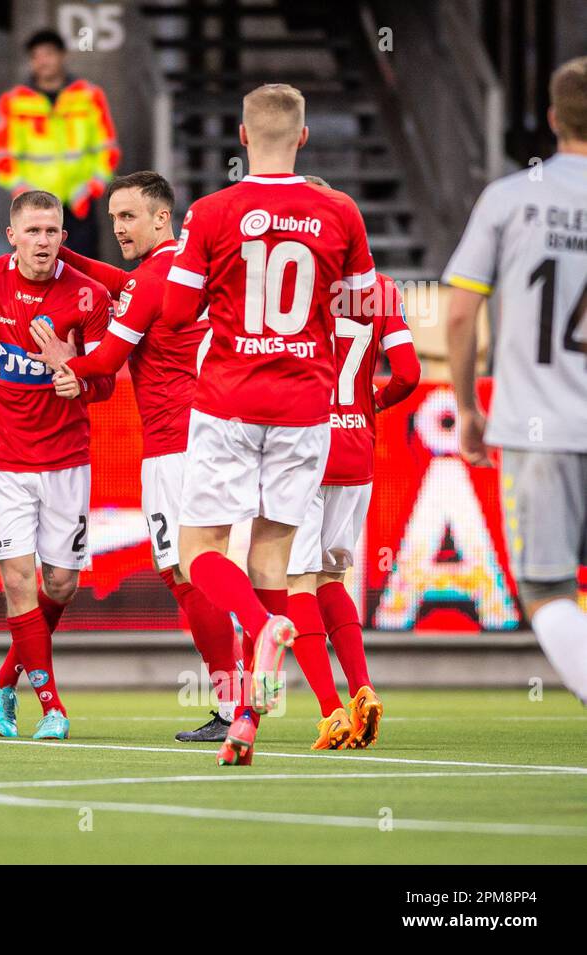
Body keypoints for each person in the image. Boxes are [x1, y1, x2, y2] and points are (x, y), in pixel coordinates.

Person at [161, 84, 377, 767]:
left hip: (228, 401)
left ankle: (264, 626)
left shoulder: (213, 211)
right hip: (307, 409)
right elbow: (364, 307)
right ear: (305, 138)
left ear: (242, 136)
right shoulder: (341, 211)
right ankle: (248, 718)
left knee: (200, 552)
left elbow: (172, 313)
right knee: (272, 563)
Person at [26, 171, 239, 744]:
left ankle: (233, 703)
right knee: (229, 570)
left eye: (129, 217)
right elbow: (127, 283)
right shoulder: (186, 271)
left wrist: (61, 357)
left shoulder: (151, 279)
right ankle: (258, 691)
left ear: (161, 217)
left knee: (185, 575)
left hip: (174, 446)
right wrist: (64, 254)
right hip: (219, 433)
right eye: (114, 216)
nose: (118, 226)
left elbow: (108, 360)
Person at [0, 189, 115, 741]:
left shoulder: (89, 296)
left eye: (52, 231)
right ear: (12, 236)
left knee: (59, 585)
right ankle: (51, 707)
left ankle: (4, 679)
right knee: (17, 584)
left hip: (67, 460)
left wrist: (75, 375)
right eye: (32, 231)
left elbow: (105, 379)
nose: (44, 241)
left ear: (64, 236)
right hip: (4, 463)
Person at [444, 56, 587, 705]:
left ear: (553, 120)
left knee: (547, 589)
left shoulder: (510, 197)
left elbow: (459, 309)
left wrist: (469, 407)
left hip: (539, 425)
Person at [283, 176, 421, 749]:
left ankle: (329, 709)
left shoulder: (288, 283)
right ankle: (362, 686)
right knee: (334, 576)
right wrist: (369, 407)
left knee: (296, 580)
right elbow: (409, 374)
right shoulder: (381, 290)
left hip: (296, 447)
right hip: (355, 450)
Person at [0, 29, 119, 259]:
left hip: (79, 204)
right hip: (35, 206)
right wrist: (23, 192)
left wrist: (89, 189)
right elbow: (3, 158)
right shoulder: (14, 101)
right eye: (36, 56)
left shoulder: (89, 96)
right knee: (35, 274)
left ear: (62, 56)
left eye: (48, 54)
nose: (42, 61)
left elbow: (107, 151)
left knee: (85, 273)